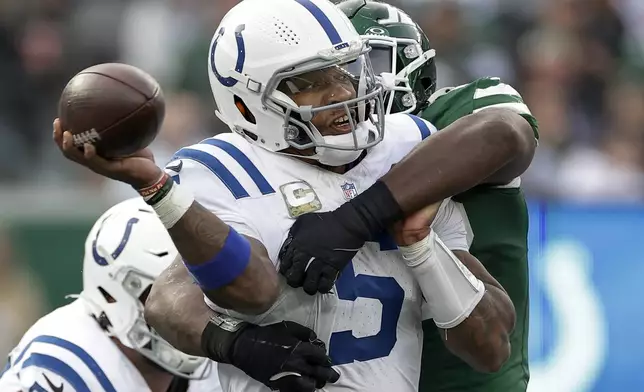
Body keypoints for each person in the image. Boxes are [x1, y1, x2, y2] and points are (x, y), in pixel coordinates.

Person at [53, 0, 515, 391]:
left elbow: (492, 348)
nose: (342, 92)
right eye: (311, 83)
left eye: (344, 71)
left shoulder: (406, 147)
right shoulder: (224, 170)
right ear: (246, 102)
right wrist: (236, 343)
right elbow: (247, 292)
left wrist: (419, 247)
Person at [335, 1, 537, 391]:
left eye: (365, 64)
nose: (346, 85)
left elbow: (504, 133)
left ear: (413, 64)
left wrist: (361, 213)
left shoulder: (455, 114)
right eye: (328, 74)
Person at [0, 198, 219, 392]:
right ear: (111, 295)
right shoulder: (64, 362)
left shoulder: (217, 369)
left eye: (199, 291)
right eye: (164, 293)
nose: (187, 308)